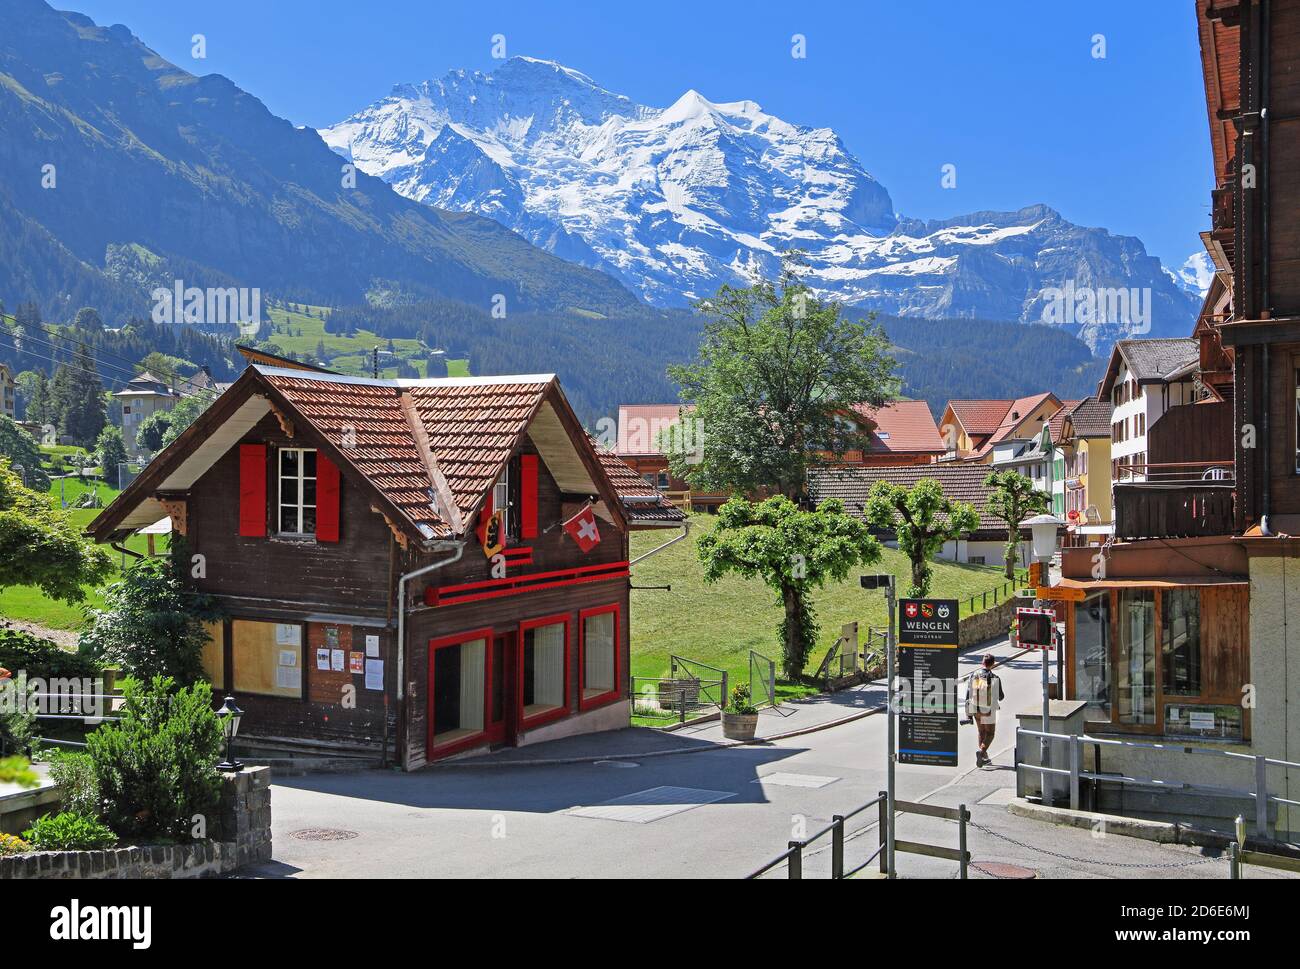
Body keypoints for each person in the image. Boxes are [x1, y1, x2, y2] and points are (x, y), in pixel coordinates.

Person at [965, 653, 1004, 767]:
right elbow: (1001, 697)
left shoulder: (973, 675)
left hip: (975, 708)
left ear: (982, 662)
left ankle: (984, 757)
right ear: (993, 664)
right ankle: (981, 752)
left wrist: (968, 712)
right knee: (990, 733)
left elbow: (968, 693)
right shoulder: (994, 678)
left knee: (981, 732)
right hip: (988, 709)